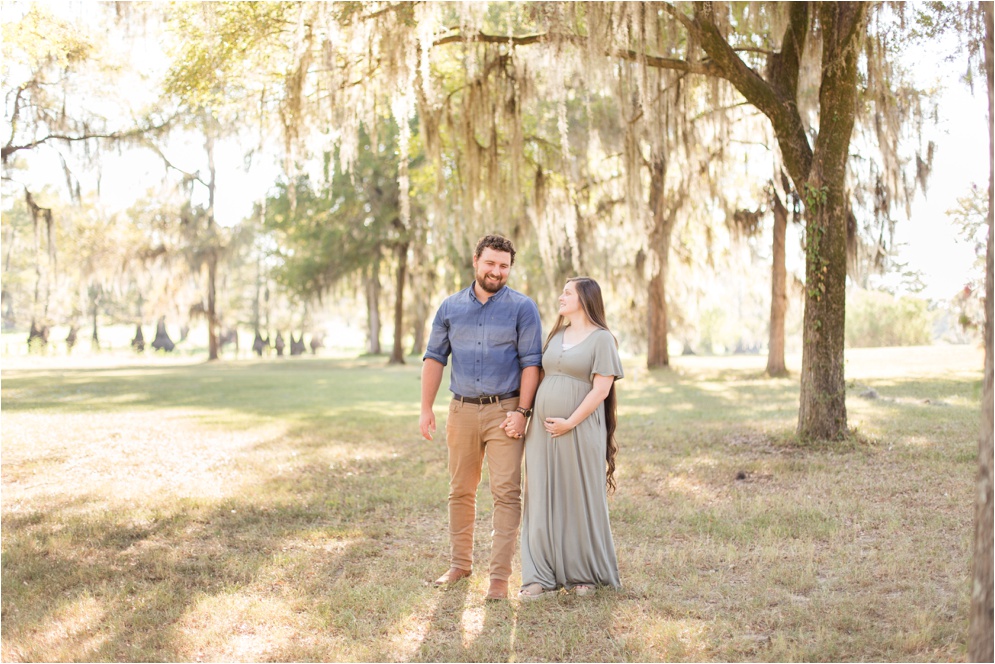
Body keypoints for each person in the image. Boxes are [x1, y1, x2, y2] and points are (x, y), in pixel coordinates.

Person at [419, 234, 543, 601]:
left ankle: (499, 580)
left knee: (506, 494)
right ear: (476, 261)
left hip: (506, 411)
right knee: (460, 490)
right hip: (461, 410)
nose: (496, 271)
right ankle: (460, 564)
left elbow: (531, 364)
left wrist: (522, 412)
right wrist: (426, 407)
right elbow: (434, 358)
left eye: (504, 266)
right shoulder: (450, 308)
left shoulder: (523, 308)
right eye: (490, 263)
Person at [516, 276, 623, 600]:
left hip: (580, 429)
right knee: (541, 495)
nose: (560, 296)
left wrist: (570, 422)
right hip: (542, 433)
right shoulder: (557, 334)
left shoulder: (602, 339)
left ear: (585, 299)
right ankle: (539, 576)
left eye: (567, 292)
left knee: (578, 496)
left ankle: (583, 574)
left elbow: (601, 390)